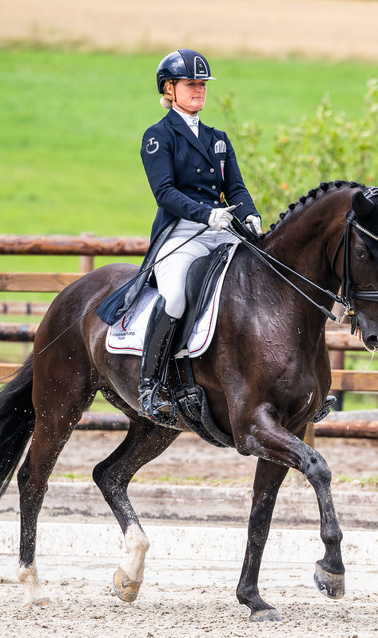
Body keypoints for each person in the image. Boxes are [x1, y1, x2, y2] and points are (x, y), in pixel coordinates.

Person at [99, 49, 261, 427]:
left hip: (224, 229)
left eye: (203, 84)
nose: (199, 90)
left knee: (263, 280)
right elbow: (165, 193)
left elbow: (235, 188)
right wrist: (207, 213)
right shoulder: (158, 137)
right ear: (169, 89)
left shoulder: (217, 138)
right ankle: (151, 384)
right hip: (182, 232)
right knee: (174, 296)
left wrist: (249, 213)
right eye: (192, 84)